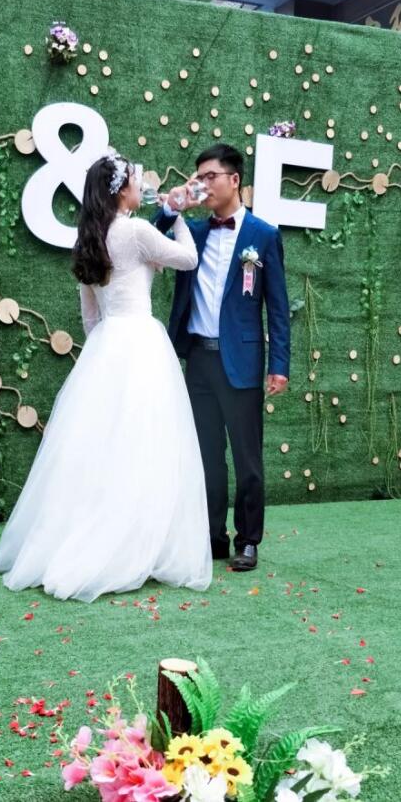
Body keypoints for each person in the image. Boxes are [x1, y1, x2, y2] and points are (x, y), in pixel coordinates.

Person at [0, 154, 212, 602]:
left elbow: (90, 318)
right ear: (120, 191)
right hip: (141, 343)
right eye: (133, 180)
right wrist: (178, 216)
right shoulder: (134, 231)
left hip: (106, 346)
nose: (138, 185)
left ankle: (84, 537)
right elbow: (188, 260)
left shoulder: (89, 239)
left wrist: (102, 354)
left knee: (100, 447)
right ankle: (136, 544)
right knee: (146, 443)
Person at [154, 144, 290, 572]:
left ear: (234, 180)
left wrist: (279, 365)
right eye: (198, 177)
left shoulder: (263, 235)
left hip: (242, 362)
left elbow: (278, 307)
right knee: (206, 456)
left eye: (210, 176)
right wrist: (174, 205)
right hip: (197, 360)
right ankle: (212, 536)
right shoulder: (192, 232)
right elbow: (155, 235)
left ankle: (248, 541)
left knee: (247, 458)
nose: (203, 184)